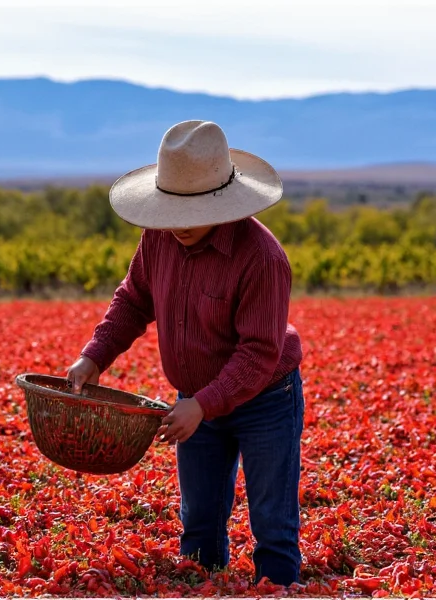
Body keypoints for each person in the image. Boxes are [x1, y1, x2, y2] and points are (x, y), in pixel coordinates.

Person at [67, 120, 305, 586]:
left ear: (222, 201)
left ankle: (277, 587)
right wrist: (94, 356)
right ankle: (205, 587)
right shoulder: (160, 237)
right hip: (194, 395)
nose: (178, 225)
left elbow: (258, 353)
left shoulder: (262, 258)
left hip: (265, 401)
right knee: (199, 524)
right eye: (171, 210)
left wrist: (202, 405)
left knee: (272, 523)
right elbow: (135, 300)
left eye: (190, 211)